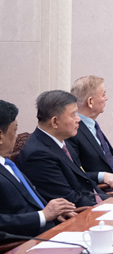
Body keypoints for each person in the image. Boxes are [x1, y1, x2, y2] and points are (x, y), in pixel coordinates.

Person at [18, 90, 113, 208]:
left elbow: (81, 178)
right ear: (55, 122)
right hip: (83, 213)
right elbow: (68, 198)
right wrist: (110, 205)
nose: (78, 119)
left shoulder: (61, 142)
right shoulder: (38, 155)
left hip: (95, 202)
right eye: (73, 115)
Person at [0, 100, 76, 236]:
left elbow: (30, 200)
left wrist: (55, 211)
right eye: (15, 130)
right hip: (27, 241)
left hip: (53, 228)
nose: (16, 136)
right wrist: (42, 216)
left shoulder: (7, 164)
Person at [68, 76, 113, 180]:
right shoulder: (72, 131)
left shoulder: (92, 125)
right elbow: (74, 175)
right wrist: (103, 177)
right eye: (103, 94)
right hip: (103, 188)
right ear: (90, 102)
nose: (106, 98)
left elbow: (105, 159)